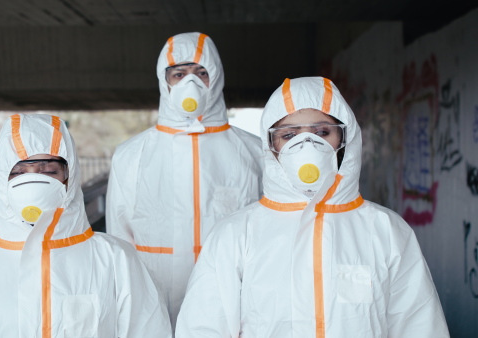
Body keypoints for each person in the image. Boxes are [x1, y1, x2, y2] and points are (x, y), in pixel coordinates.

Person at [175, 77, 449, 337]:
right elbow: (202, 329)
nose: (307, 145)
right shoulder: (235, 236)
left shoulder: (386, 231)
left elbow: (419, 327)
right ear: (271, 146)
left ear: (345, 140)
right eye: (289, 135)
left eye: (322, 132)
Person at [0, 113, 171, 338]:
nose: (33, 184)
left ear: (70, 176)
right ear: (1, 181)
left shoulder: (116, 260)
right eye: (19, 173)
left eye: (48, 172)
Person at [106, 32, 263, 329]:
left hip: (231, 302)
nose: (191, 83)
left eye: (201, 73)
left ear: (216, 78)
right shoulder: (131, 155)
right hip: (152, 303)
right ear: (164, 80)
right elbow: (119, 242)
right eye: (179, 73)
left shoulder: (253, 152)